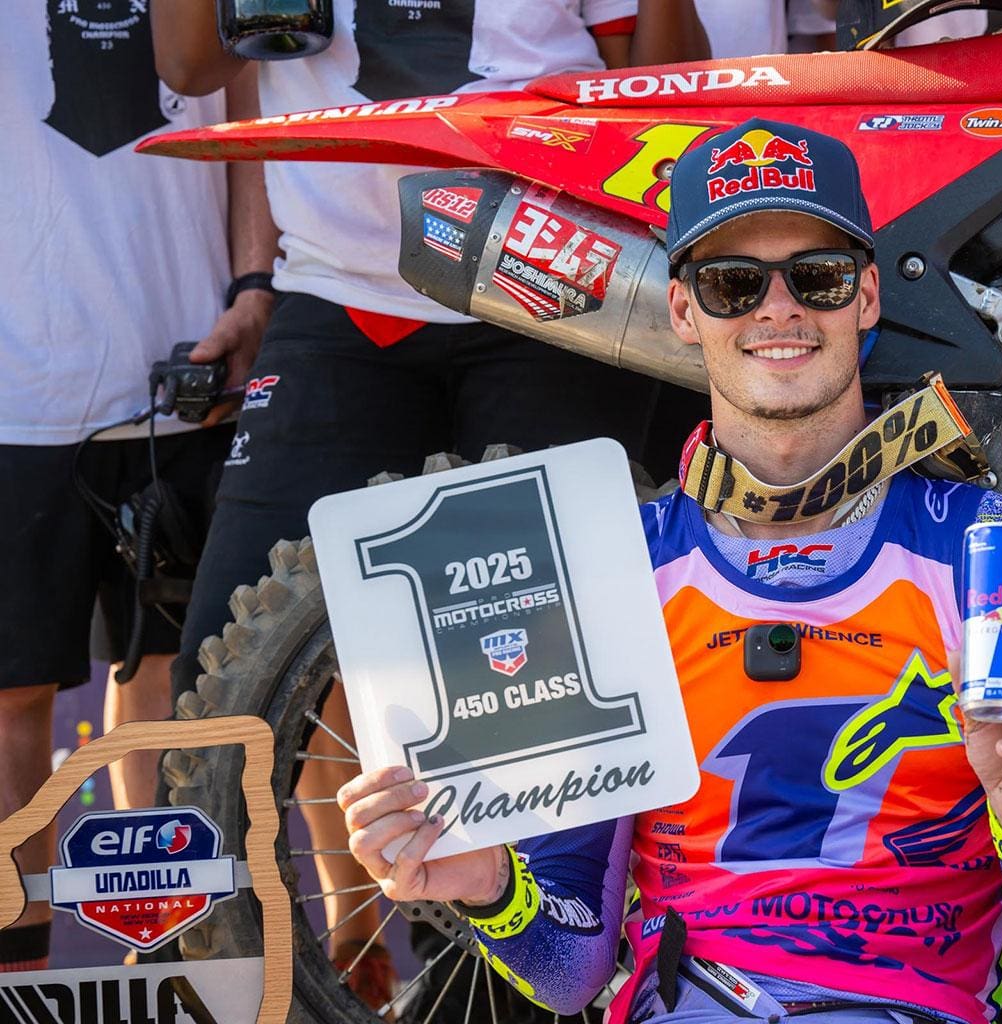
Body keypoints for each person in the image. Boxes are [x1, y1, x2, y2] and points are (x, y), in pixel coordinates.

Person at [337, 118, 1002, 1023]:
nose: (778, 309)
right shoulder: (611, 570)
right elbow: (568, 972)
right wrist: (491, 889)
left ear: (865, 297)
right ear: (684, 311)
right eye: (732, 283)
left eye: (817, 277)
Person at [150, 0, 709, 1009]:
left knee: (537, 668)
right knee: (222, 676)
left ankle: (501, 979)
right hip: (340, 287)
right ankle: (230, 986)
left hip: (547, 274)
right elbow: (190, 66)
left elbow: (661, 81)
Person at [0, 5, 270, 970]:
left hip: (187, 367)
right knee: (12, 696)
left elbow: (246, 117)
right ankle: (17, 975)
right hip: (18, 388)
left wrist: (253, 284)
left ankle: (164, 966)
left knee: (168, 678)